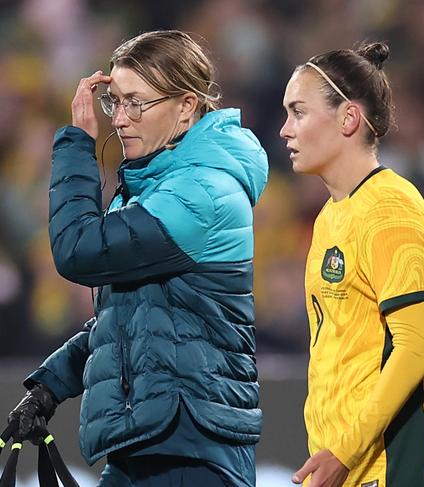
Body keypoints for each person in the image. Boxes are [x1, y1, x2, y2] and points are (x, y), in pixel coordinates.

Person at [7, 30, 268, 486]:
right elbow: (133, 318)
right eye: (115, 103)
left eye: (136, 103)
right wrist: (49, 388)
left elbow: (77, 252)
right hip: (153, 437)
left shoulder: (202, 191)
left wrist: (75, 145)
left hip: (192, 450)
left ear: (186, 106)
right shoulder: (159, 188)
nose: (120, 120)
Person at [280, 42, 424, 487]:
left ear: (348, 118)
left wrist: (344, 450)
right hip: (348, 467)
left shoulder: (390, 211)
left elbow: (415, 348)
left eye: (298, 112)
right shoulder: (331, 215)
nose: (285, 129)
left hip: (393, 469)